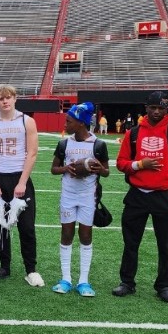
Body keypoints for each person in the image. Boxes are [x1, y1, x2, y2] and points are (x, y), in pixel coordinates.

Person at [113, 91, 168, 303]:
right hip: (137, 196)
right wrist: (139, 165)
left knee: (165, 245)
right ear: (146, 108)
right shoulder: (134, 133)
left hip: (164, 197)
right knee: (130, 243)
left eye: (161, 108)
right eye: (153, 107)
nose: (156, 112)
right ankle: (127, 282)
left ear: (167, 110)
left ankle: (164, 285)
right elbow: (121, 163)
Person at [0, 84, 42, 285]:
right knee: (0, 226)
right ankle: (4, 265)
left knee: (26, 227)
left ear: (15, 98)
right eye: (1, 98)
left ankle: (31, 269)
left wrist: (22, 182)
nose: (5, 101)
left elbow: (32, 153)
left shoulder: (27, 121)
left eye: (8, 97)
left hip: (20, 177)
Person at [50, 102, 110, 297]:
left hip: (87, 197)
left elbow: (107, 172)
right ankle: (66, 278)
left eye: (69, 121)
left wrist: (99, 169)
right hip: (68, 195)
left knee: (85, 236)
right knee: (67, 234)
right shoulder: (64, 143)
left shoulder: (98, 145)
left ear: (81, 123)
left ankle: (83, 280)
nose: (65, 124)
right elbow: (53, 169)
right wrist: (66, 168)